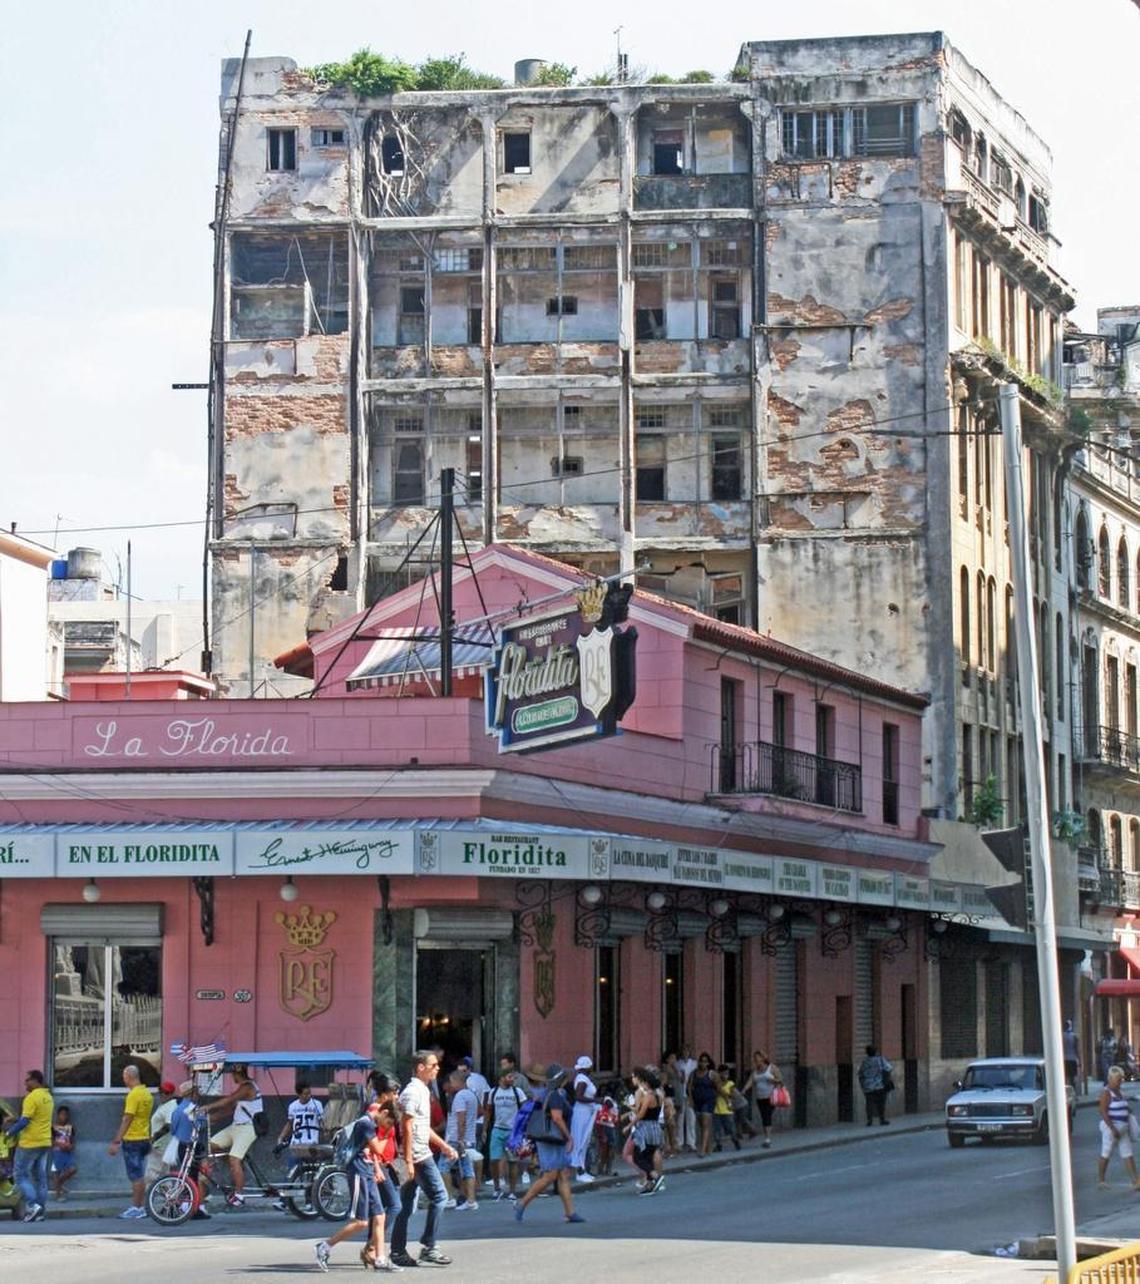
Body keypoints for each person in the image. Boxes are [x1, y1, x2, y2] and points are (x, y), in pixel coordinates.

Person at [389, 1049, 458, 1270]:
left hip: (417, 1153)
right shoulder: (413, 1091)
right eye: (433, 1065)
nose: (437, 1068)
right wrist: (408, 1159)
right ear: (421, 1067)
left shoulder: (422, 1091)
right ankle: (429, 1246)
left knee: (406, 1205)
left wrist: (443, 1145)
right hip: (417, 1155)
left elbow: (422, 1126)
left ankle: (398, 1251)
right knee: (439, 1196)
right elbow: (406, 1126)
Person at [314, 1100, 401, 1272]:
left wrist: (376, 1168)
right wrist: (388, 1133)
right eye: (389, 1122)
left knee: (380, 1216)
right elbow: (378, 1149)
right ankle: (324, 1246)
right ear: (384, 1113)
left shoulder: (372, 1124)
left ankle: (381, 1258)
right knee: (361, 1222)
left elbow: (371, 1151)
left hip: (367, 1171)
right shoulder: (366, 1123)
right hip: (358, 1173)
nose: (388, 1126)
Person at [513, 1064, 584, 1226]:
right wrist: (569, 1137)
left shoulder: (549, 1093)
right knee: (550, 1175)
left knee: (563, 1174)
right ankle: (522, 1203)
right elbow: (557, 1118)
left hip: (551, 1139)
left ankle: (570, 1212)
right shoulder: (555, 1096)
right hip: (552, 1139)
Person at [203, 1063, 262, 1206]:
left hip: (248, 1128)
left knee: (234, 1159)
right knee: (212, 1146)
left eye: (232, 1074)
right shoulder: (242, 1090)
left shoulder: (248, 1087)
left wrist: (207, 1107)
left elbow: (228, 1100)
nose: (232, 1077)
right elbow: (230, 1110)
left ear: (237, 1073)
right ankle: (236, 1166)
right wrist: (210, 1118)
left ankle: (240, 1194)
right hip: (235, 1127)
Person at [6, 1070, 53, 1222]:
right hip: (45, 1141)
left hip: (30, 1143)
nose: (25, 1083)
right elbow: (35, 1118)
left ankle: (33, 1206)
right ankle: (40, 1211)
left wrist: (9, 1133)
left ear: (35, 1080)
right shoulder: (48, 1097)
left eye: (27, 1080)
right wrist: (16, 1119)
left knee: (19, 1175)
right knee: (41, 1178)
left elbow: (26, 1121)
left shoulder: (31, 1098)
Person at [107, 1064, 153, 1218]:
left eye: (124, 1076)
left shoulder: (133, 1095)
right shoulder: (147, 1093)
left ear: (128, 1076)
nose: (123, 1079)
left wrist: (116, 1140)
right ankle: (140, 1206)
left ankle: (137, 1207)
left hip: (133, 1139)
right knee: (140, 1174)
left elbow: (128, 1118)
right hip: (144, 1138)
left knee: (136, 1176)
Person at [274, 1080, 324, 1208]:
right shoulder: (293, 1106)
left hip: (311, 1144)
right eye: (305, 1094)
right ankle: (283, 1201)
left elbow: (323, 1123)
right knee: (292, 1172)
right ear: (299, 1094)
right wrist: (281, 1137)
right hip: (296, 1144)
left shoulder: (317, 1105)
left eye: (309, 1093)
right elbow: (290, 1124)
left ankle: (309, 1201)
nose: (308, 1096)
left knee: (310, 1173)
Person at [169, 1080, 211, 1220]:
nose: (198, 1094)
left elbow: (173, 1129)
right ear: (191, 1094)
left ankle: (187, 1206)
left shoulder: (177, 1110)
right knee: (193, 1177)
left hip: (181, 1144)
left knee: (185, 1175)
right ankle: (191, 1207)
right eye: (196, 1092)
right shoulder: (194, 1109)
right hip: (194, 1145)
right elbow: (202, 1125)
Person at [439, 1070, 480, 1211]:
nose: (450, 1084)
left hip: (456, 1139)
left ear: (457, 1081)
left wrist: (460, 1139)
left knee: (443, 1167)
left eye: (451, 1081)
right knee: (468, 1169)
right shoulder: (471, 1095)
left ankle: (449, 1198)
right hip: (469, 1138)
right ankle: (471, 1200)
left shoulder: (460, 1097)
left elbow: (460, 1120)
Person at [1097, 1065, 1140, 1190]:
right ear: (1111, 1079)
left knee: (1128, 1153)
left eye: (1121, 1079)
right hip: (1112, 1128)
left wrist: (1127, 1110)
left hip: (1123, 1129)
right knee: (1106, 1153)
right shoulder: (1106, 1092)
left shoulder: (1120, 1092)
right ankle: (1101, 1180)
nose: (1120, 1081)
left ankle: (1135, 1180)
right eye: (1118, 1079)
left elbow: (1123, 1106)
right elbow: (1103, 1112)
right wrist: (1112, 1129)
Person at [488, 1066, 527, 1200]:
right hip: (497, 1129)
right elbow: (489, 1111)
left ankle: (512, 1190)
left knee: (512, 1161)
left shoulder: (518, 1092)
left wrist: (523, 1129)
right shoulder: (493, 1093)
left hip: (513, 1131)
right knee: (494, 1159)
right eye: (509, 1077)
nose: (512, 1079)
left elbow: (524, 1111)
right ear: (502, 1078)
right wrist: (485, 1129)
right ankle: (497, 1187)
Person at [629, 1067, 666, 1195]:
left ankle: (655, 1176)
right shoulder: (659, 1095)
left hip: (646, 1128)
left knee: (638, 1157)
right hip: (656, 1127)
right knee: (648, 1156)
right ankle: (650, 1185)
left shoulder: (648, 1096)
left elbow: (640, 1114)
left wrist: (628, 1126)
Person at [569, 1055, 599, 1182]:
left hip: (587, 1112)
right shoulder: (582, 1079)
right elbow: (579, 1097)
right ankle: (579, 1171)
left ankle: (582, 1169)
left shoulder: (584, 1078)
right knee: (580, 1140)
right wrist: (596, 1100)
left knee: (584, 1140)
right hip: (581, 1112)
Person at [742, 1051, 780, 1149]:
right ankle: (767, 1137)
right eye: (754, 1059)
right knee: (764, 1117)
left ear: (763, 1058)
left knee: (767, 1115)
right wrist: (745, 1089)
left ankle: (768, 1139)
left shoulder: (772, 1068)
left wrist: (773, 1080)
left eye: (757, 1059)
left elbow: (780, 1080)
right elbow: (751, 1081)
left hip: (771, 1096)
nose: (755, 1061)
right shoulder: (755, 1071)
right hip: (760, 1097)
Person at [688, 1053, 717, 1156]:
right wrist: (690, 1099)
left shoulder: (711, 1074)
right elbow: (689, 1087)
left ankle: (702, 1150)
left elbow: (718, 1087)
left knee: (705, 1124)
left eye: (705, 1061)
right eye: (701, 1061)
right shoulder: (694, 1073)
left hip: (708, 1101)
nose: (702, 1063)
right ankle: (709, 1147)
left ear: (708, 1063)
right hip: (697, 1101)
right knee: (702, 1125)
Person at [858, 1045, 893, 1127]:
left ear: (867, 1053)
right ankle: (882, 1119)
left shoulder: (865, 1062)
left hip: (868, 1086)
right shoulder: (880, 1060)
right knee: (881, 1103)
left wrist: (863, 1085)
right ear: (876, 1051)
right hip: (879, 1085)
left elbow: (861, 1074)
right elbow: (889, 1068)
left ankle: (869, 1120)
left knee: (869, 1103)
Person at [50, 1105, 77, 1199]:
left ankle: (59, 1183)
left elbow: (73, 1140)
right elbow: (51, 1140)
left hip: (68, 1152)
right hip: (57, 1152)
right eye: (62, 1115)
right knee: (56, 1172)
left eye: (66, 1115)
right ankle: (57, 1195)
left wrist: (71, 1146)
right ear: (58, 1115)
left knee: (72, 1169)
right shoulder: (53, 1127)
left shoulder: (70, 1127)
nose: (64, 1117)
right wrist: (59, 1144)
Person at [675, 1046, 698, 1152]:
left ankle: (691, 1143)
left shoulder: (694, 1064)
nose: (685, 1053)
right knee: (680, 1119)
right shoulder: (677, 1064)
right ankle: (679, 1142)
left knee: (691, 1119)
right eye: (684, 1051)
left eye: (687, 1051)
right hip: (680, 1093)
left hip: (690, 1094)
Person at [713, 1064, 741, 1151]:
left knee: (730, 1128)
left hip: (727, 1110)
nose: (725, 1075)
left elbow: (734, 1095)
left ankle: (735, 1140)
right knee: (717, 1129)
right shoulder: (716, 1084)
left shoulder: (730, 1083)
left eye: (726, 1073)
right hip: (717, 1109)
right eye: (723, 1073)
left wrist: (726, 1094)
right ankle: (718, 1144)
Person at [1062, 1020, 1080, 1088]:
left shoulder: (1061, 1035)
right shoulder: (1074, 1036)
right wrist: (1079, 1059)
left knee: (1065, 1077)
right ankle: (1073, 1093)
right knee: (1072, 1077)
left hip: (1065, 1058)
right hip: (1072, 1058)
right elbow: (1077, 1048)